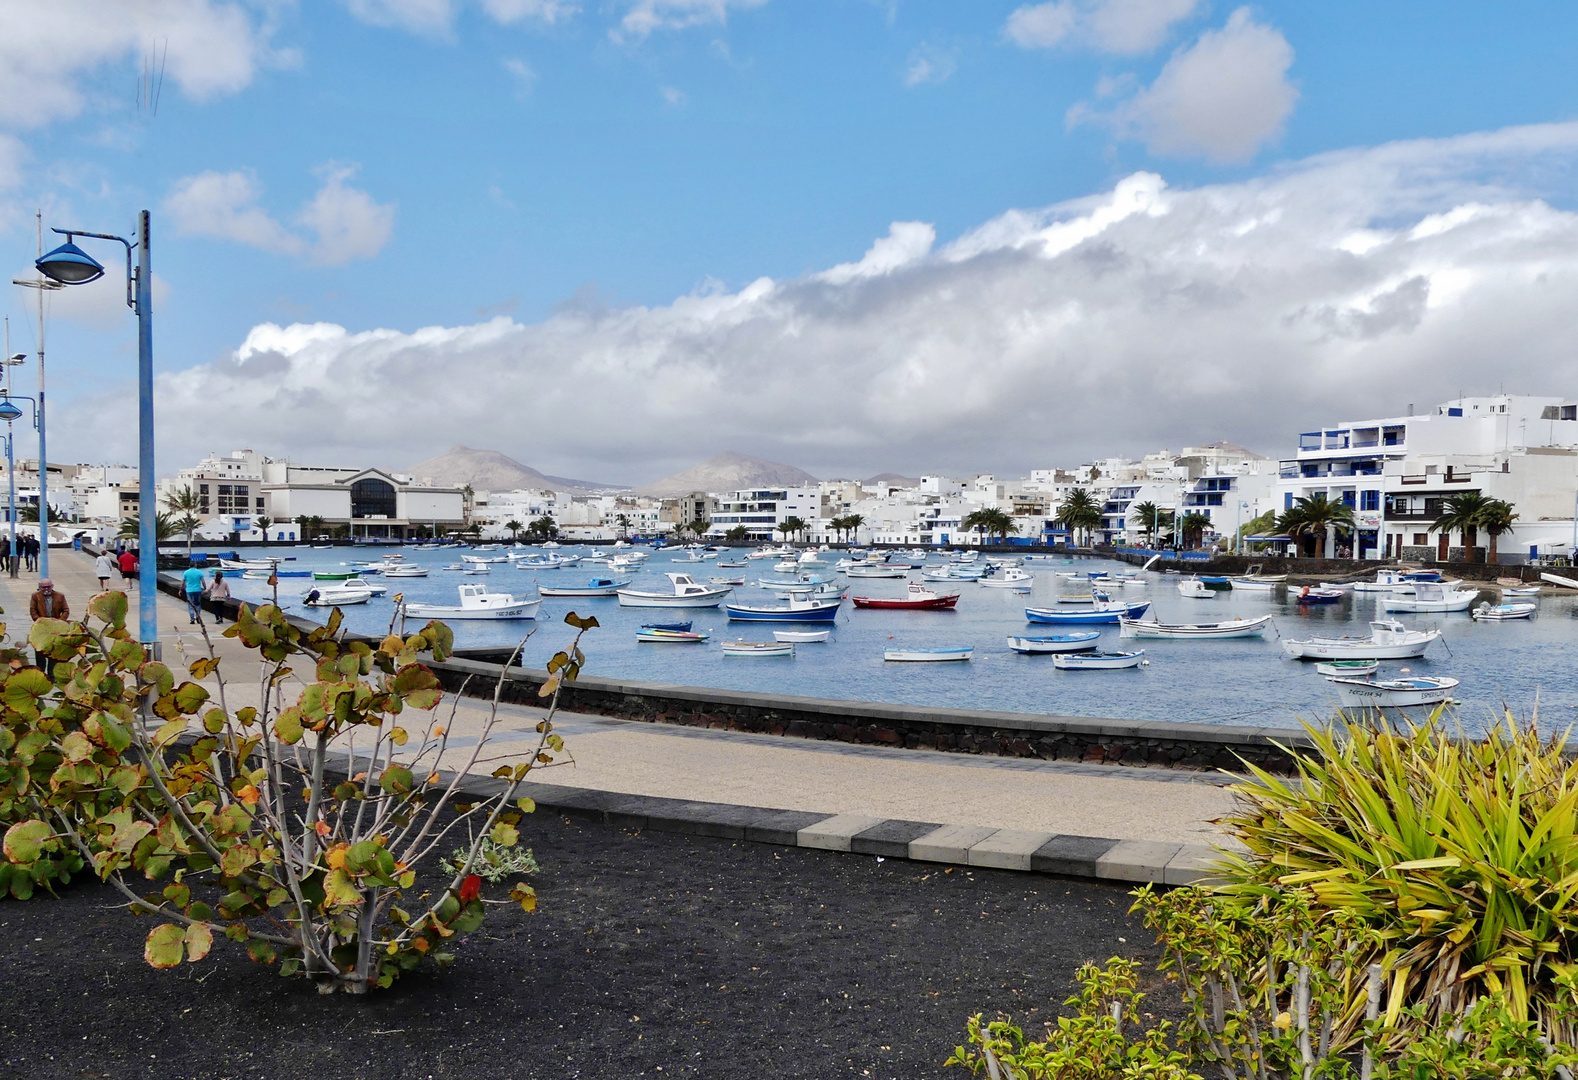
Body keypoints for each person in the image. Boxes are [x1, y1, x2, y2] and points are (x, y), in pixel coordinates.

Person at [28, 579, 68, 675]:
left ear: (52, 586)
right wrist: (40, 622)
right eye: (44, 587)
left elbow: (66, 610)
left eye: (48, 587)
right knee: (39, 650)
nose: (46, 589)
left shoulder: (60, 596)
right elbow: (33, 610)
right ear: (40, 587)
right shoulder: (35, 596)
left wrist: (59, 622)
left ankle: (52, 674)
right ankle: (41, 673)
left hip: (55, 628)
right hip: (41, 628)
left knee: (53, 651)